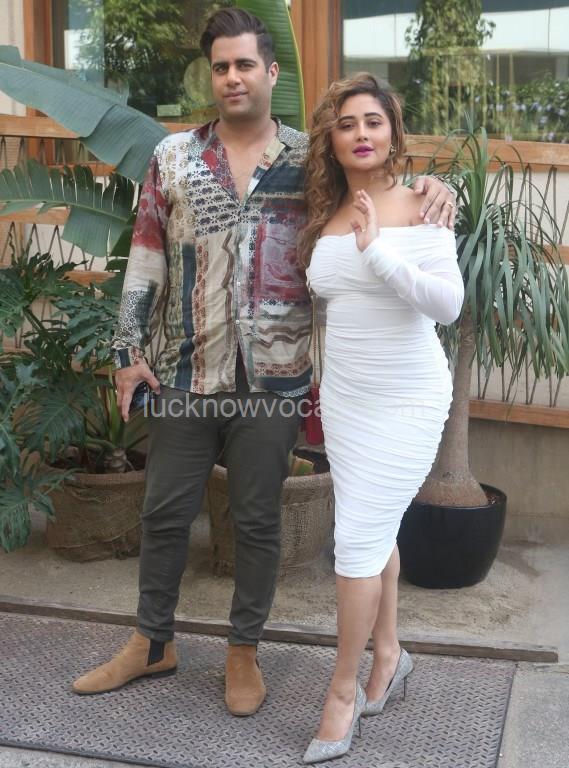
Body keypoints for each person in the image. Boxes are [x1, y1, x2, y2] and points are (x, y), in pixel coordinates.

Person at [71, 10, 456, 718]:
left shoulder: (310, 162)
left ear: (270, 72)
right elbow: (146, 255)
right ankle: (151, 642)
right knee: (164, 514)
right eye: (220, 66)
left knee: (255, 521)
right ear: (210, 75)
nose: (232, 77)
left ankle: (242, 651)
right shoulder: (173, 158)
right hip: (186, 369)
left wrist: (438, 188)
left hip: (276, 377)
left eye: (245, 64)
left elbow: (378, 181)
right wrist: (127, 352)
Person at [299, 73, 464, 763]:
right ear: (330, 140)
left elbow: (446, 306)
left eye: (373, 120)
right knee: (374, 531)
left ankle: (342, 692)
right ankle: (388, 654)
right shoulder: (325, 208)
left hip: (406, 400)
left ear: (393, 131)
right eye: (346, 124)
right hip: (346, 399)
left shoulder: (423, 204)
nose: (361, 133)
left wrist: (378, 250)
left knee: (355, 543)